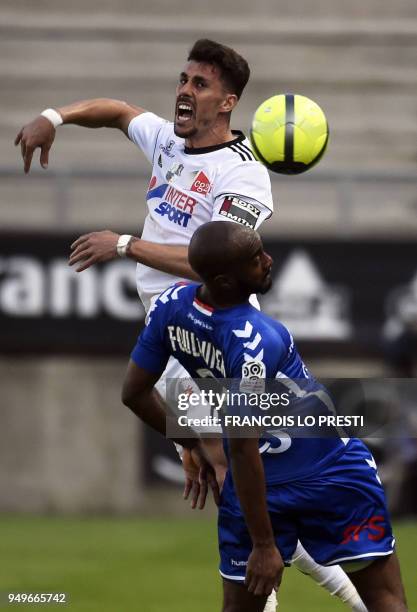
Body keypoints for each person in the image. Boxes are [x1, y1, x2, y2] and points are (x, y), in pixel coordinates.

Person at [15, 39, 364, 611]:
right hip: (174, 326)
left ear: (226, 104)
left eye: (199, 85)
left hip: (214, 325)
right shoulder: (167, 142)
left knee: (237, 473)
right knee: (237, 479)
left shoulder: (244, 174)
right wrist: (55, 117)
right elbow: (120, 112)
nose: (184, 90)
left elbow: (216, 263)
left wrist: (125, 243)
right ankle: (348, 594)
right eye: (183, 79)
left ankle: (323, 591)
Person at [122, 221, 408, 612]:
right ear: (225, 280)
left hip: (255, 486)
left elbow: (134, 393)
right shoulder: (258, 339)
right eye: (255, 259)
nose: (268, 261)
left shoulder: (170, 306)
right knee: (385, 600)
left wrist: (191, 441)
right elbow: (241, 444)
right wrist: (264, 544)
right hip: (330, 476)